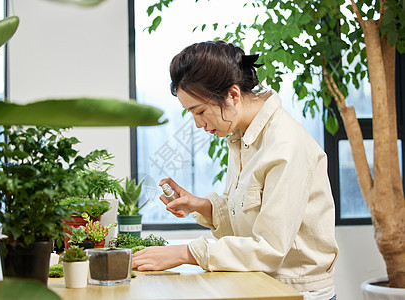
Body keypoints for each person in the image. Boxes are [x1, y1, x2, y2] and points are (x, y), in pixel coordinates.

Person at [132, 41, 338, 300]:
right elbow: (244, 225)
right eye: (191, 114)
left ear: (233, 95)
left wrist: (183, 253)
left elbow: (269, 249)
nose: (197, 124)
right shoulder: (240, 136)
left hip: (295, 291)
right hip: (258, 284)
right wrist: (200, 205)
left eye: (200, 111)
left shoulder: (285, 144)